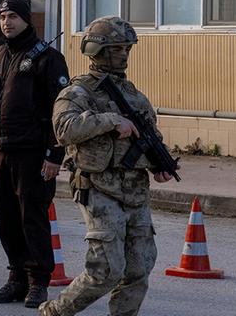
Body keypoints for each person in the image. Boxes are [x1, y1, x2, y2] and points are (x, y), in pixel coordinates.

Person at [39, 17, 173, 316]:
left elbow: (150, 134)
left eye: (127, 48)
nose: (124, 54)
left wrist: (157, 164)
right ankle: (55, 311)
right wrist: (111, 121)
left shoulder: (134, 95)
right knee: (106, 270)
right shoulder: (78, 92)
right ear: (97, 49)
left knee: (139, 267)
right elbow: (64, 129)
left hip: (135, 190)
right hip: (99, 187)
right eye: (117, 48)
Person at [0, 0, 70, 307]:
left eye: (13, 16)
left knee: (33, 218)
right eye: (2, 17)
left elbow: (60, 110)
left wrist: (55, 155)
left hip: (33, 154)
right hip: (1, 151)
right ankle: (16, 278)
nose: (7, 22)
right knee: (8, 219)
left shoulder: (47, 58)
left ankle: (38, 281)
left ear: (27, 20)